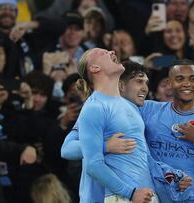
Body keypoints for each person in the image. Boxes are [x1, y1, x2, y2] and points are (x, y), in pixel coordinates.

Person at [61, 58, 193, 203]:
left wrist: (173, 176)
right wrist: (105, 146)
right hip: (105, 196)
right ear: (121, 85)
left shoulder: (135, 111)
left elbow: (146, 159)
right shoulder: (98, 106)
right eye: (139, 81)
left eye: (146, 83)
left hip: (142, 194)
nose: (145, 88)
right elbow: (66, 149)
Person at [66, 48, 156, 203]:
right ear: (94, 68)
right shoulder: (94, 107)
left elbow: (144, 156)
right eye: (103, 53)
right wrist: (105, 146)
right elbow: (71, 152)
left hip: (145, 194)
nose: (113, 51)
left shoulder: (131, 107)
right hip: (115, 195)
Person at [139, 59, 194, 202]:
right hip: (154, 197)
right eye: (180, 79)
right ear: (169, 83)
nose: (187, 84)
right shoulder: (148, 110)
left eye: (192, 79)